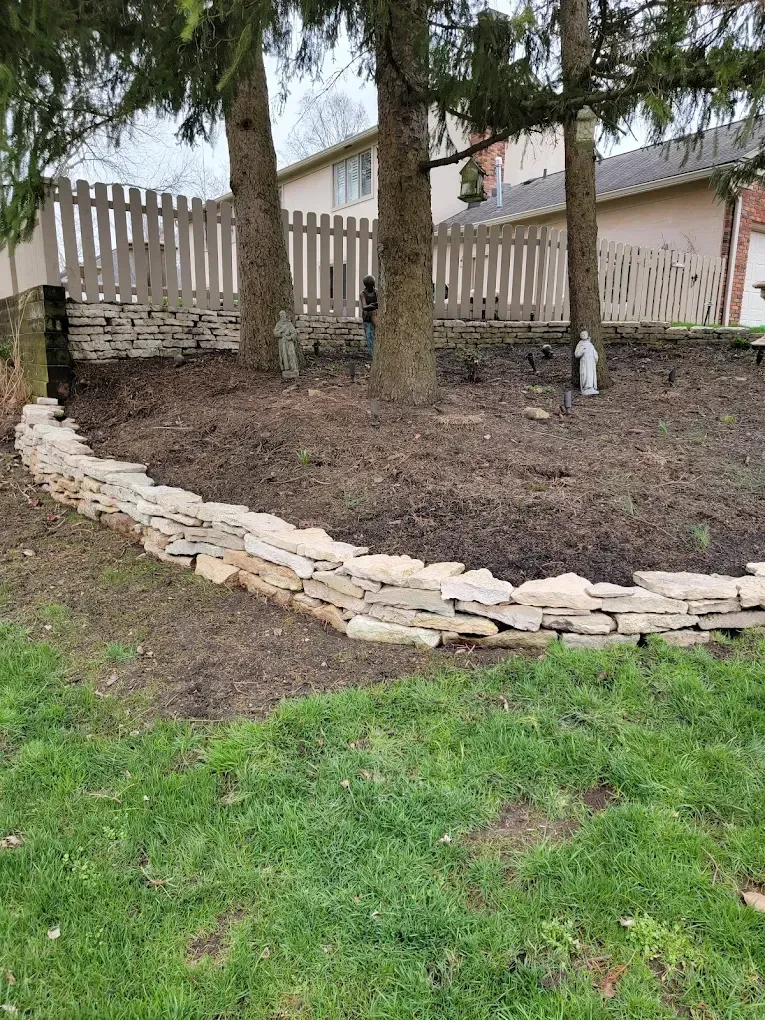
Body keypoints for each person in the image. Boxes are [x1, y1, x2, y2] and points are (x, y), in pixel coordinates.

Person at [359, 275, 378, 356]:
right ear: (366, 285)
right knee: (369, 334)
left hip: (376, 315)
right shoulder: (363, 293)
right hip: (367, 317)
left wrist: (376, 305)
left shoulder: (376, 291)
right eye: (371, 285)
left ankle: (377, 352)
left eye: (373, 284)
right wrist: (371, 306)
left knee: (376, 333)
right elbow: (364, 306)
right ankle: (372, 353)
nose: (373, 286)